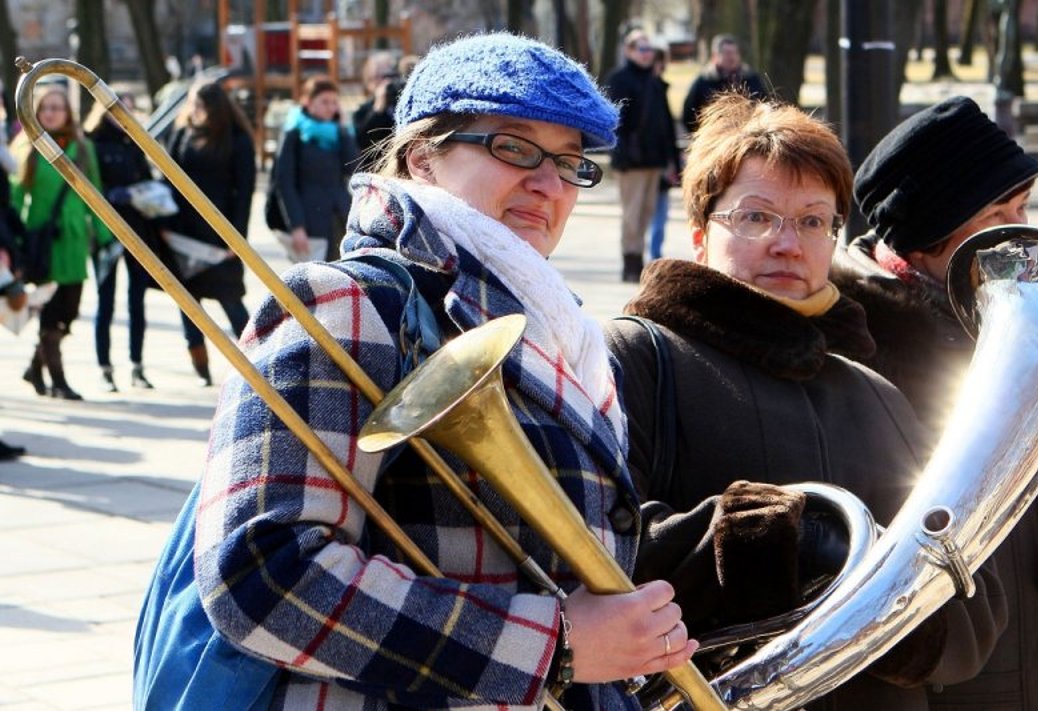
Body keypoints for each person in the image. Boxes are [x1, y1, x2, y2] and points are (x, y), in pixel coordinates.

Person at [136, 33, 697, 710]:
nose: (548, 184)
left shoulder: (557, 323)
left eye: (571, 162)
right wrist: (556, 644)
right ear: (422, 158)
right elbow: (261, 572)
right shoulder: (346, 303)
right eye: (513, 147)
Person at [605, 93, 1006, 710]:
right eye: (757, 217)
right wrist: (783, 545)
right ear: (699, 234)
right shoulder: (634, 355)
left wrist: (905, 609)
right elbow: (597, 554)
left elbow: (974, 622)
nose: (788, 244)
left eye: (814, 221)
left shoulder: (877, 393)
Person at [832, 95, 1038, 709]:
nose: (1023, 232)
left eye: (1024, 207)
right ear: (929, 232)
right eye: (996, 214)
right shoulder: (858, 349)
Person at [12, 83, 113, 400]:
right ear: (36, 112)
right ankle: (58, 381)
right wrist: (12, 246)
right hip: (42, 245)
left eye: (57, 107)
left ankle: (34, 368)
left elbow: (95, 196)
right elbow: (14, 200)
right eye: (45, 107)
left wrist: (106, 237)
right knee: (50, 314)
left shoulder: (83, 148)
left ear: (68, 113)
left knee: (68, 313)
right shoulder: (25, 146)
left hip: (74, 244)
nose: (51, 113)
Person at [162, 80, 256, 386]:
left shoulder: (237, 140)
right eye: (193, 105)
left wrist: (236, 238)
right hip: (183, 230)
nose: (195, 112)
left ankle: (253, 360)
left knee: (230, 297)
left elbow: (244, 192)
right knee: (188, 301)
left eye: (201, 106)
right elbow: (168, 182)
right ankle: (199, 363)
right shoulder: (181, 134)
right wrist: (165, 226)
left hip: (220, 232)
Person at [84, 94, 157, 391]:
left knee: (137, 300)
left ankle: (137, 366)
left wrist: (143, 195)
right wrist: (112, 194)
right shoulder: (93, 144)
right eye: (116, 108)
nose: (122, 114)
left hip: (137, 229)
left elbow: (148, 179)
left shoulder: (134, 143)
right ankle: (105, 368)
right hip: (105, 233)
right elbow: (88, 185)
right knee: (105, 300)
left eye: (128, 108)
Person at [605, 29, 679, 283]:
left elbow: (666, 123)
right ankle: (631, 263)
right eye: (642, 49)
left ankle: (639, 257)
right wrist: (621, 154)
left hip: (654, 159)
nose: (647, 55)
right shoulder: (620, 79)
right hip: (632, 162)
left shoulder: (655, 81)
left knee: (647, 212)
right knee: (632, 214)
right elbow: (615, 122)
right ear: (629, 51)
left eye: (650, 50)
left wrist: (673, 160)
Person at [270, 75, 358, 262]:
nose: (331, 107)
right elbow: (284, 184)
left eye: (334, 102)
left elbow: (354, 168)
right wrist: (296, 226)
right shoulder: (293, 134)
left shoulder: (339, 132)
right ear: (308, 103)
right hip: (309, 221)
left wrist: (343, 130)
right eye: (324, 102)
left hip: (339, 218)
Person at [681, 34, 768, 135]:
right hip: (715, 141)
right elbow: (688, 116)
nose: (732, 57)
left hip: (749, 139)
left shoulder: (751, 79)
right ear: (715, 56)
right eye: (727, 53)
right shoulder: (703, 82)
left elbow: (766, 106)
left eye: (735, 52)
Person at [646, 47, 680, 261]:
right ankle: (646, 254)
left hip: (662, 159)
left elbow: (667, 129)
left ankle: (655, 253)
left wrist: (673, 162)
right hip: (646, 159)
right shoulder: (648, 90)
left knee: (661, 211)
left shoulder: (660, 88)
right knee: (645, 213)